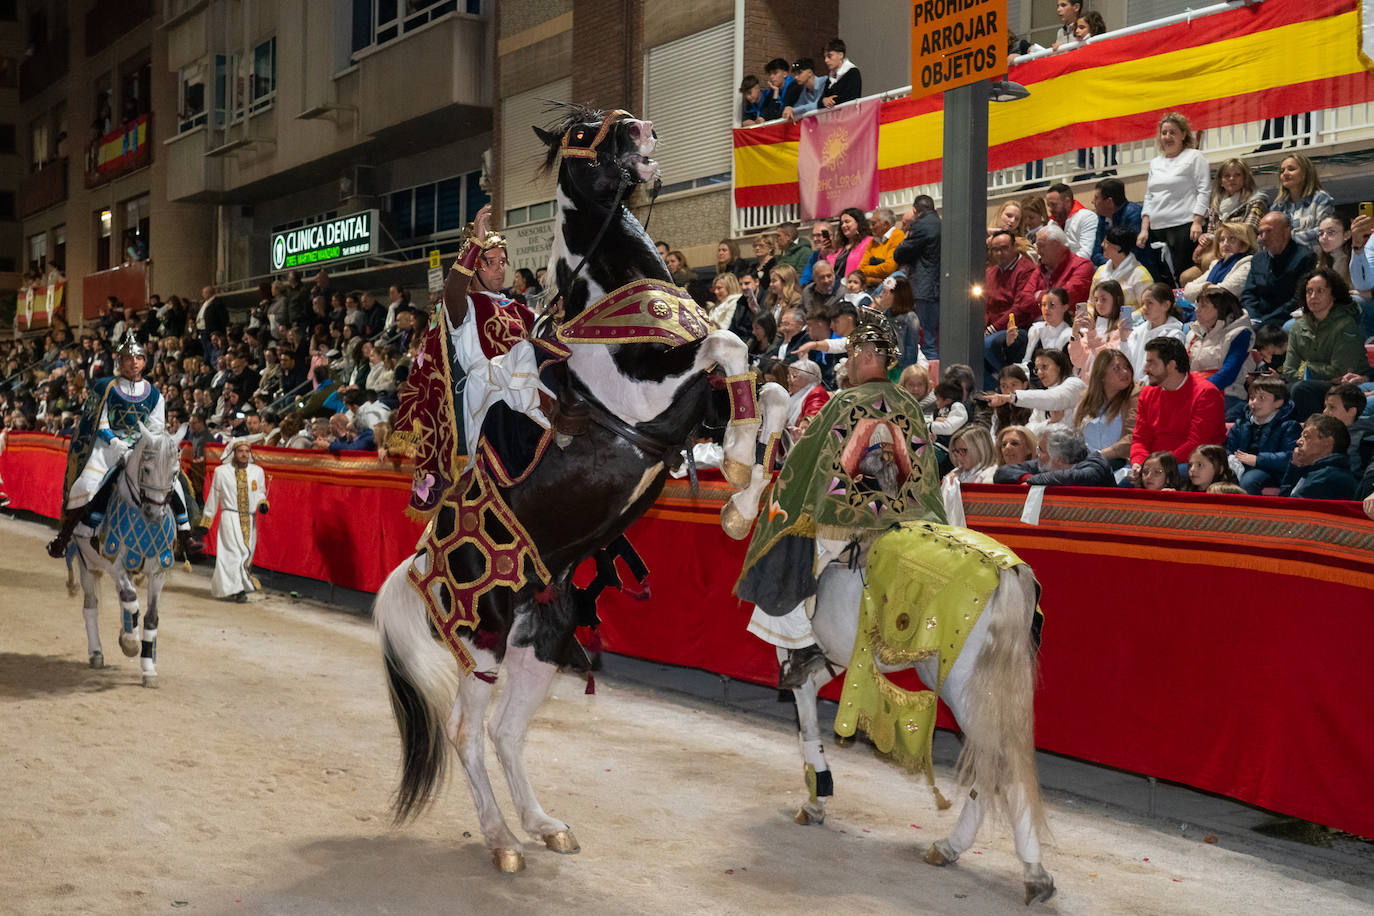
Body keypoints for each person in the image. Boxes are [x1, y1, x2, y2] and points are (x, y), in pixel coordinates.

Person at [738, 307, 941, 688]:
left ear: (866, 356)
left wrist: (782, 496)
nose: (847, 364)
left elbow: (807, 464)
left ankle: (801, 646)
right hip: (909, 517)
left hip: (851, 521)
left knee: (787, 547)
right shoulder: (909, 404)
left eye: (850, 356)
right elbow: (922, 467)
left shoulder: (843, 403)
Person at [47, 333, 193, 558]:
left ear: (144, 362)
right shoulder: (105, 387)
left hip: (141, 445)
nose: (133, 362)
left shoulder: (154, 393)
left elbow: (156, 426)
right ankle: (65, 537)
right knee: (86, 486)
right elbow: (99, 421)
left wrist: (145, 445)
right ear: (120, 362)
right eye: (128, 358)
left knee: (174, 480)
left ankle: (185, 532)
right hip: (107, 444)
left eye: (138, 358)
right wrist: (115, 443)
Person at [1128, 337, 1225, 485]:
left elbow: (1196, 444)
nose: (1145, 369)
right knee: (1123, 485)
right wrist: (1139, 463)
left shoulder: (1206, 394)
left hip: (1192, 463)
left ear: (1171, 365)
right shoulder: (1147, 393)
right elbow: (1140, 438)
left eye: (1151, 362)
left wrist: (1157, 467)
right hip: (1155, 465)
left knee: (1165, 480)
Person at [1282, 267, 1367, 420]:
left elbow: (1340, 370)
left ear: (1333, 294)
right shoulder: (1297, 327)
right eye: (1309, 291)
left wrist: (1306, 368)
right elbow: (1289, 370)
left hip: (1348, 386)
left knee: (1301, 389)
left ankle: (1323, 431)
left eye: (1320, 291)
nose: (1313, 296)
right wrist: (1310, 371)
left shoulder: (1346, 324)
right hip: (1315, 384)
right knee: (1273, 391)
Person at [1138, 112, 1210, 287]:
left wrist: (1197, 222)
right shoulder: (1155, 162)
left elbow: (1204, 190)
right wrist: (1144, 229)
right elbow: (1149, 196)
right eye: (1164, 133)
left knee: (1185, 277)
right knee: (1165, 280)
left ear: (1183, 134)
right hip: (1158, 229)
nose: (1167, 137)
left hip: (1185, 227)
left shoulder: (1194, 156)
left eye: (1172, 132)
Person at [198, 440, 269, 603]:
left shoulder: (257, 471)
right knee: (233, 554)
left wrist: (262, 503)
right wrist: (206, 522)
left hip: (249, 519)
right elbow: (213, 498)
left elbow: (259, 492)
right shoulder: (221, 472)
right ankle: (238, 590)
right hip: (229, 518)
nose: (244, 454)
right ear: (233, 453)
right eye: (241, 451)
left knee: (246, 553)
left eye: (247, 451)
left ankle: (237, 587)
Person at [981, 230, 1046, 385]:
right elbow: (984, 305)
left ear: (1014, 247)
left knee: (988, 343)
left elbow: (1020, 308)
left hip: (1016, 326)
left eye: (1004, 248)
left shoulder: (1026, 270)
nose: (999, 253)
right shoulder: (990, 272)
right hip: (993, 325)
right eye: (995, 249)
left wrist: (992, 328)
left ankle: (1010, 379)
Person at [1184, 286, 1253, 420]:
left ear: (1220, 309)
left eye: (1203, 306)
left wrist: (1197, 391)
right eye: (1197, 305)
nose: (1196, 310)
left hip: (1228, 394)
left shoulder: (1240, 333)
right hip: (1193, 393)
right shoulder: (1192, 334)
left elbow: (1228, 373)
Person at [1225, 376, 1301, 494]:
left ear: (1278, 402)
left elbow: (1290, 457)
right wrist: (1230, 458)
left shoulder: (1289, 426)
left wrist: (1258, 460)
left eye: (1262, 398)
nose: (1254, 402)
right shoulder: (1242, 423)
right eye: (1251, 398)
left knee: (1249, 480)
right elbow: (1230, 447)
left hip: (1271, 471)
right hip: (1241, 466)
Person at [985, 348, 1084, 439]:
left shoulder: (1074, 383)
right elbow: (1029, 430)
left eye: (1044, 367)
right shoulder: (1042, 397)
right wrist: (1049, 422)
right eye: (1037, 369)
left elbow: (1055, 398)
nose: (1040, 372)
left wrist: (1011, 398)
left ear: (1060, 367)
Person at [1242, 212, 1316, 327]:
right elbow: (1249, 294)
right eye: (1260, 233)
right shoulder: (1258, 260)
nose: (1263, 237)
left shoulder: (1305, 257)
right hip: (1256, 320)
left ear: (1287, 231)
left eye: (1269, 231)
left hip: (1285, 320)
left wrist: (1264, 322)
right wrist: (1253, 317)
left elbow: (1298, 298)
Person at [893, 196, 942, 358]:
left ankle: (928, 378)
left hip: (924, 285)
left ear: (915, 210)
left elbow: (900, 254)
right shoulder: (942, 222)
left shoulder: (920, 225)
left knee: (926, 338)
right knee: (934, 337)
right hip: (940, 284)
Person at [1073, 349, 1139, 470]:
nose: (1125, 372)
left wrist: (1098, 456)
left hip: (1118, 464)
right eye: (1117, 368)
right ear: (1101, 375)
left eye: (1127, 367)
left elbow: (1132, 438)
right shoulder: (1086, 402)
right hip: (1086, 463)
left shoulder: (1135, 395)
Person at [993, 426, 1114, 487]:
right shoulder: (1045, 462)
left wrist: (1033, 481)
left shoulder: (1096, 465)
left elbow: (1071, 477)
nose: (1037, 454)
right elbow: (1003, 472)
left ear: (1059, 459)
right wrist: (1025, 477)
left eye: (1041, 450)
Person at [1279, 414, 1356, 500]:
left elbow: (1287, 507)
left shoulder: (1327, 479)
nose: (1298, 441)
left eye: (1306, 436)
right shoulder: (1314, 472)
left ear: (1327, 442)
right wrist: (1294, 469)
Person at [1121, 283, 1186, 381]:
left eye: (1150, 303)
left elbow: (1164, 372)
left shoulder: (1173, 335)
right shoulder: (1138, 330)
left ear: (1166, 305)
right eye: (1143, 303)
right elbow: (1126, 362)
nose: (1144, 308)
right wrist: (1123, 340)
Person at [1270, 154, 1334, 254]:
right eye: (1282, 171)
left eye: (1291, 169)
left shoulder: (1321, 198)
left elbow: (1323, 232)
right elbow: (1269, 237)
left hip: (1314, 262)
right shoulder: (1278, 205)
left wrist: (1287, 239)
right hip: (1284, 264)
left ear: (1305, 173)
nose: (1285, 173)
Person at [1181, 221, 1255, 303]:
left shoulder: (1248, 264)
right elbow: (1187, 290)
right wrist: (1206, 286)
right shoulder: (1216, 264)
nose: (1225, 244)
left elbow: (1224, 293)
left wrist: (1201, 290)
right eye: (1222, 240)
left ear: (1244, 243)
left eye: (1232, 239)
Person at [1091, 225, 1152, 313]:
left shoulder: (1140, 274)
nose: (1102, 245)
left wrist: (1125, 320)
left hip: (1132, 324)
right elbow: (1091, 302)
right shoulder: (1101, 271)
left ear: (1118, 247)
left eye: (1106, 242)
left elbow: (1148, 306)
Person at [1035, 223, 1094, 309]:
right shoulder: (1041, 266)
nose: (1038, 252)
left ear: (1056, 246)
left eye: (1041, 246)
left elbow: (1064, 298)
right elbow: (1025, 298)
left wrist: (1039, 295)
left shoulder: (1083, 266)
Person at [1045, 183, 1097, 259]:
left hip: (1082, 267)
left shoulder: (1087, 217)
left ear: (1067, 202)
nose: (1050, 209)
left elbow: (1086, 253)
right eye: (1048, 205)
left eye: (1054, 205)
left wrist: (1065, 268)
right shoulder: (1052, 223)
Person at [859, 208, 905, 284]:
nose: (870, 227)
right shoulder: (872, 242)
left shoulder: (898, 236)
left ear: (885, 224)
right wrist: (875, 280)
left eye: (873, 224)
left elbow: (889, 268)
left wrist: (868, 270)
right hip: (873, 287)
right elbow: (860, 270)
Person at [829, 208, 873, 279]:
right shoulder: (840, 246)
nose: (843, 225)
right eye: (842, 223)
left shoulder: (869, 242)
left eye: (847, 222)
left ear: (858, 223)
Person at [820, 38, 861, 108]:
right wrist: (824, 100)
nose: (826, 60)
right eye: (825, 57)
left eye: (829, 56)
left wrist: (830, 101)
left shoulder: (852, 72)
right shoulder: (830, 77)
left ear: (840, 55)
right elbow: (820, 102)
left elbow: (851, 97)